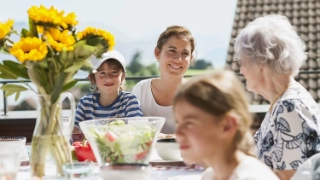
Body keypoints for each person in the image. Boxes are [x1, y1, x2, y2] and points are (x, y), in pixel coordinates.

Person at [234, 14, 320, 180]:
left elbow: (288, 176)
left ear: (260, 61)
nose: (240, 70)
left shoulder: (290, 107)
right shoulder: (283, 101)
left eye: (240, 62)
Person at [173, 70, 279, 180]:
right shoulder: (210, 175)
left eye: (189, 123)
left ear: (227, 126)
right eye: (178, 122)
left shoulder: (249, 177)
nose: (178, 134)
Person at [131, 25, 195, 134]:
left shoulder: (196, 95)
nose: (178, 59)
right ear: (157, 53)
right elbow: (132, 131)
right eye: (172, 51)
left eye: (185, 53)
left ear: (191, 59)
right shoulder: (141, 90)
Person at [74, 50, 143, 130]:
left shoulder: (130, 101)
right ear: (92, 78)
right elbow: (74, 133)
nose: (108, 78)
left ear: (123, 76)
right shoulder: (85, 103)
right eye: (102, 73)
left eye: (114, 72)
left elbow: (137, 130)